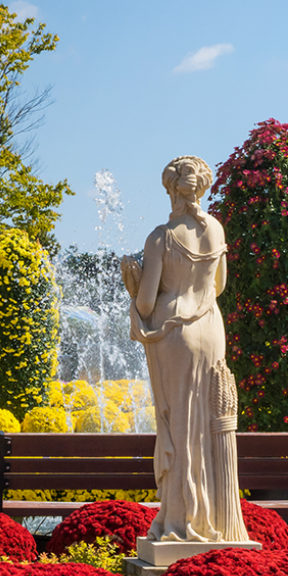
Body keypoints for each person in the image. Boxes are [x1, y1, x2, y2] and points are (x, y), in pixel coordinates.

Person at [120, 155, 251, 544]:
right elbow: (219, 286)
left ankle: (179, 520)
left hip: (173, 332)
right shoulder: (215, 229)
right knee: (209, 423)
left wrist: (133, 281)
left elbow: (146, 304)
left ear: (170, 188)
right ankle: (212, 516)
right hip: (211, 327)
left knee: (179, 424)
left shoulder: (161, 237)